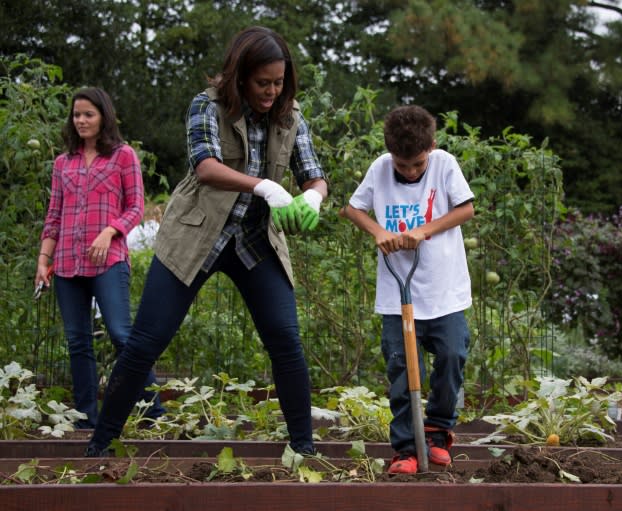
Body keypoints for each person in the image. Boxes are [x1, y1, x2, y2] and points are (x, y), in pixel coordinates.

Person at [85, 26, 327, 456]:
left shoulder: (291, 115)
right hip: (196, 236)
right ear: (240, 76)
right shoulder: (207, 105)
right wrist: (265, 187)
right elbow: (206, 167)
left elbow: (315, 174)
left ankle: (304, 448)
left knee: (285, 340)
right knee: (146, 341)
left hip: (255, 242)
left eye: (278, 82)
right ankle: (101, 443)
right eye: (262, 82)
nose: (271, 91)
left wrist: (312, 196)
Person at [340, 105, 474, 474]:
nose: (411, 172)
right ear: (390, 155)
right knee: (400, 371)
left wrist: (424, 230)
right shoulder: (380, 168)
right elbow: (351, 210)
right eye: (403, 166)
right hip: (396, 296)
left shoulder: (444, 164)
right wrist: (378, 232)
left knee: (452, 356)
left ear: (431, 147)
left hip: (443, 292)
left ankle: (436, 431)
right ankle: (405, 451)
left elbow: (466, 210)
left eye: (417, 164)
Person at [35, 87, 165, 429]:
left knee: (122, 334)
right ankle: (85, 419)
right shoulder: (63, 163)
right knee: (78, 342)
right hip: (66, 263)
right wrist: (42, 260)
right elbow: (54, 216)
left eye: (88, 114)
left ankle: (154, 410)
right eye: (76, 115)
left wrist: (110, 232)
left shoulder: (123, 156)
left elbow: (136, 207)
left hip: (108, 262)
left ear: (103, 116)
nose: (81, 120)